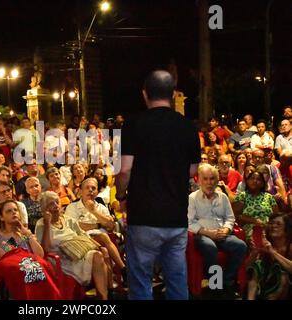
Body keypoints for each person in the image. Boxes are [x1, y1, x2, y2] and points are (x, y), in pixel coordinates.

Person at [115, 70, 200, 300]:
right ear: (173, 94)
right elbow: (193, 171)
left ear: (145, 94)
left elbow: (124, 170)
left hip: (143, 216)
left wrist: (121, 197)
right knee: (176, 279)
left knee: (141, 281)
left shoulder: (132, 125)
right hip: (176, 216)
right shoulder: (188, 127)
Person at [188, 164, 247, 298]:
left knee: (241, 246)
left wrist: (226, 230)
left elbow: (230, 218)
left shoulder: (223, 197)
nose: (209, 182)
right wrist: (208, 232)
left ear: (217, 180)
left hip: (222, 234)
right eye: (206, 179)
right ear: (199, 180)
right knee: (210, 247)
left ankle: (225, 280)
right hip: (203, 235)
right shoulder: (192, 198)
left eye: (212, 179)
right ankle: (216, 284)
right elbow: (189, 223)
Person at [35, 191, 109, 300]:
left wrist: (101, 247)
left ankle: (103, 296)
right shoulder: (41, 224)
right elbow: (45, 249)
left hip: (78, 254)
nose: (56, 206)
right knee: (97, 258)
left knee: (98, 255)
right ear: (44, 208)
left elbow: (83, 236)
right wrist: (47, 223)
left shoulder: (68, 220)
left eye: (57, 202)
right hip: (61, 261)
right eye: (51, 204)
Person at [0, 199, 61, 300]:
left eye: (15, 210)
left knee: (42, 268)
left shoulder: (24, 234)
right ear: (1, 217)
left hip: (32, 270)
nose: (14, 212)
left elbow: (39, 255)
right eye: (9, 211)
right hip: (10, 273)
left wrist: (27, 234)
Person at [247, 213, 292, 300]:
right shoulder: (265, 243)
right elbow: (247, 268)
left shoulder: (290, 246)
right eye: (271, 223)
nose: (273, 226)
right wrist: (255, 252)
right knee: (257, 267)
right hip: (266, 282)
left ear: (286, 229)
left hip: (287, 288)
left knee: (282, 275)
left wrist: (273, 252)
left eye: (278, 224)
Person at [232, 170, 279, 240]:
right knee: (258, 236)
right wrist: (254, 221)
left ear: (262, 184)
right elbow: (236, 216)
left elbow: (276, 216)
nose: (255, 181)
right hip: (250, 226)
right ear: (247, 182)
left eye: (258, 179)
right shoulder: (242, 196)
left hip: (268, 227)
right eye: (252, 178)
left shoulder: (269, 196)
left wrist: (268, 225)